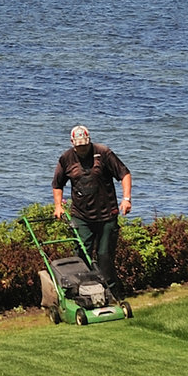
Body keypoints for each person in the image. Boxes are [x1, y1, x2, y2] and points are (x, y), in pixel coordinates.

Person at [51, 125, 131, 292]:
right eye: (78, 146)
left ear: (89, 141)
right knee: (80, 255)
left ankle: (111, 292)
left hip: (107, 215)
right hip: (81, 216)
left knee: (104, 256)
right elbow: (57, 184)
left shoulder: (103, 153)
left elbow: (124, 174)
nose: (82, 148)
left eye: (84, 145)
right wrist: (58, 206)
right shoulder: (66, 158)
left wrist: (126, 199)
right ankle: (83, 290)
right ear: (73, 143)